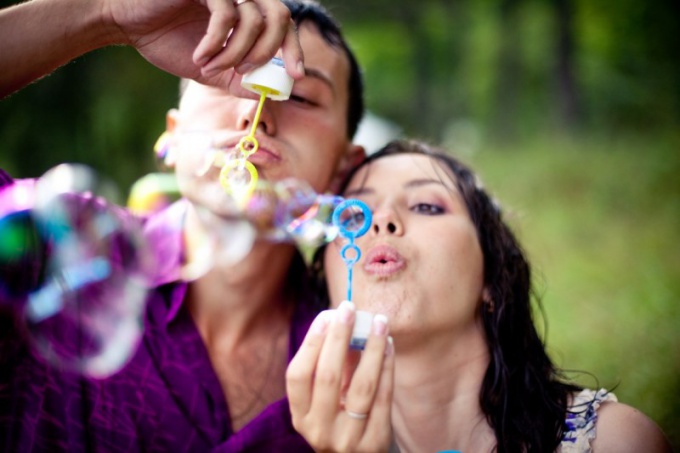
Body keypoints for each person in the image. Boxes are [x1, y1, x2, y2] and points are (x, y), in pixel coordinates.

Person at [0, 0, 366, 451]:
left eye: (303, 96)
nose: (256, 113)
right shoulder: (57, 248)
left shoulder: (355, 347)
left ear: (345, 169)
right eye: (226, 76)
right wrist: (104, 14)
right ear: (172, 136)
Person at [286, 139, 673, 452]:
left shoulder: (615, 442)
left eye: (426, 205)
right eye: (355, 215)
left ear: (492, 273)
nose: (381, 220)